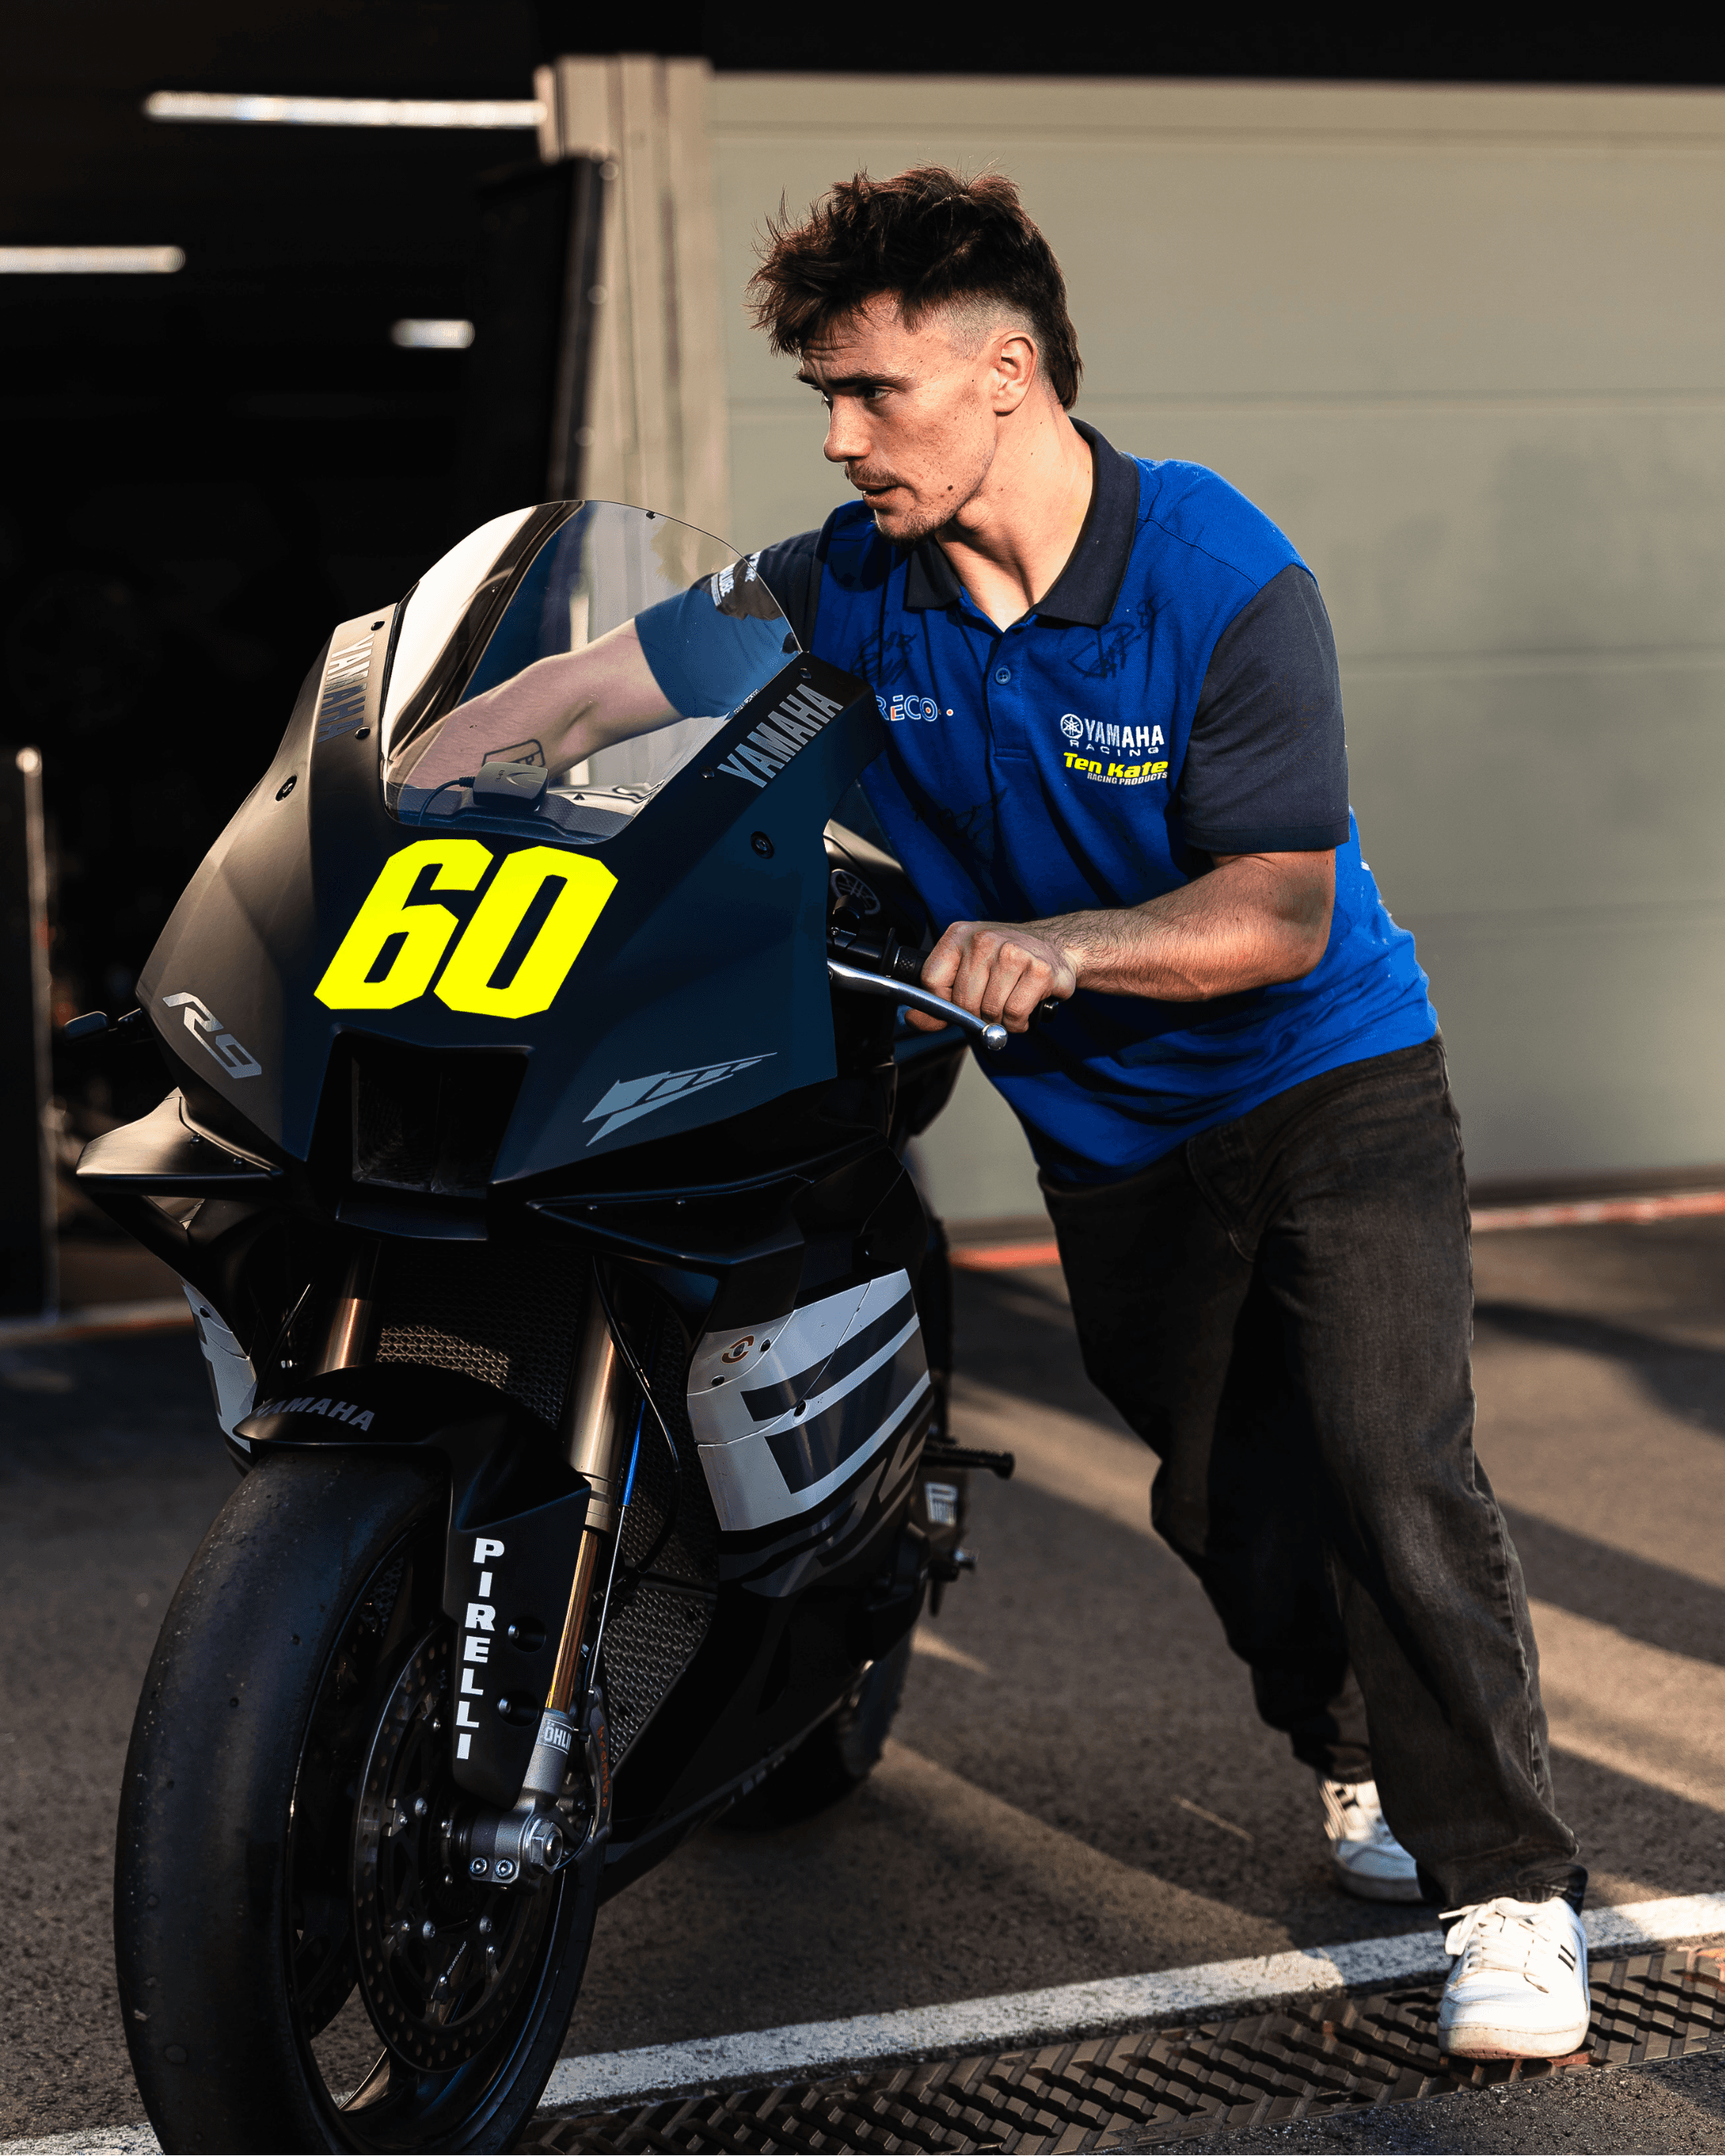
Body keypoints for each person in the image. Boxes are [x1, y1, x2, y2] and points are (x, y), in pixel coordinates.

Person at [441, 166, 1589, 2062]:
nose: (838, 438)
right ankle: (1357, 1748)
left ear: (1007, 373)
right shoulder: (846, 586)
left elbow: (1279, 914)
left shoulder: (1218, 576)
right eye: (824, 395)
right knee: (1225, 1505)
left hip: (1327, 1083)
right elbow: (583, 694)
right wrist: (414, 778)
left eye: (869, 393)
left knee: (1393, 1462)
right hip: (1111, 1132)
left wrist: (1058, 944)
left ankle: (1515, 1893)